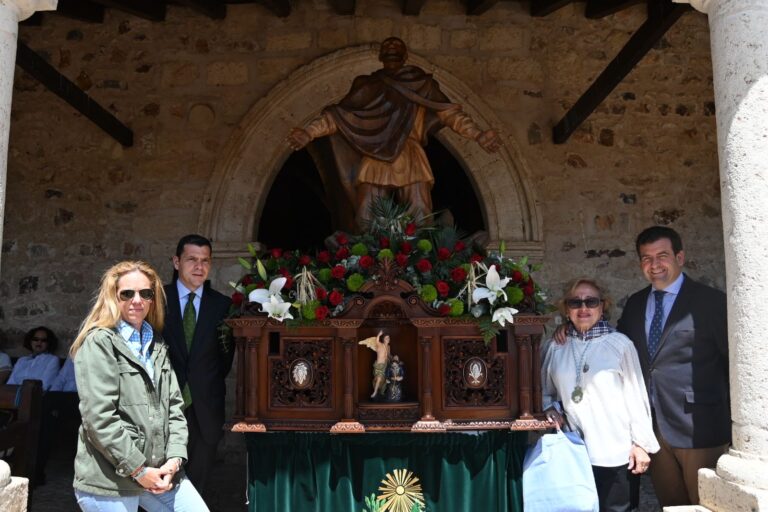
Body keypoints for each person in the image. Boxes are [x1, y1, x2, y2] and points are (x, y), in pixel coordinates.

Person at [287, 37, 502, 232]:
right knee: (367, 219)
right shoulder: (366, 86)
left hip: (410, 154)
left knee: (420, 217)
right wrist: (309, 132)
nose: (391, 48)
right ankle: (367, 260)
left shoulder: (422, 84)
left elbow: (449, 114)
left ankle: (420, 259)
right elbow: (339, 116)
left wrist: (478, 134)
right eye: (387, 46)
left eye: (397, 45)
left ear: (405, 55)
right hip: (375, 153)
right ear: (380, 55)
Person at [69, 260, 207, 511]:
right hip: (111, 479)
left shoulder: (156, 342)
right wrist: (138, 470)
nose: (137, 300)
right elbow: (99, 417)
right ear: (113, 296)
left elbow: (174, 408)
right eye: (127, 294)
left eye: (145, 293)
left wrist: (174, 460)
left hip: (160, 471)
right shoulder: (100, 342)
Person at [616, 226, 730, 506]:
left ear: (680, 257)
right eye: (646, 258)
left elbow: (734, 362)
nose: (654, 265)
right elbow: (617, 348)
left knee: (708, 505)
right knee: (672, 506)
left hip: (700, 427)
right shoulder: (635, 304)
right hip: (654, 431)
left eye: (662, 256)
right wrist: (570, 331)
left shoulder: (712, 302)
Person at [543, 278, 659, 512]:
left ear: (603, 306)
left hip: (616, 453)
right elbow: (544, 390)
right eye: (575, 302)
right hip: (574, 452)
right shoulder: (555, 347)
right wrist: (550, 408)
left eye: (591, 302)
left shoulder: (620, 345)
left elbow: (636, 396)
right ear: (566, 309)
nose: (583, 308)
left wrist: (640, 444)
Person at [163, 234, 233, 498]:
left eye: (205, 261)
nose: (199, 267)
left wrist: (203, 382)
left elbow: (225, 358)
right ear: (176, 262)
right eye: (192, 259)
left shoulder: (223, 305)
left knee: (196, 487)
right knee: (160, 484)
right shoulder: (158, 300)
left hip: (205, 406)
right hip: (164, 405)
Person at [7, 326, 61, 391]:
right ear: (30, 341)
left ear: (48, 343)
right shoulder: (21, 360)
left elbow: (45, 385)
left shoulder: (52, 360)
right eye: (36, 339)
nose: (39, 342)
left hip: (35, 395)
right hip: (14, 394)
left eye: (44, 340)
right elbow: (10, 383)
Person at [358, 331, 390, 398]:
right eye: (386, 338)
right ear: (383, 339)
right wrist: (379, 335)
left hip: (385, 365)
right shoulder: (380, 345)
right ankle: (375, 392)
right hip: (379, 365)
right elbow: (377, 340)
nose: (388, 339)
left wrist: (394, 359)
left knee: (382, 380)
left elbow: (388, 356)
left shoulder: (388, 347)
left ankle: (381, 391)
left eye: (388, 338)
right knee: (378, 378)